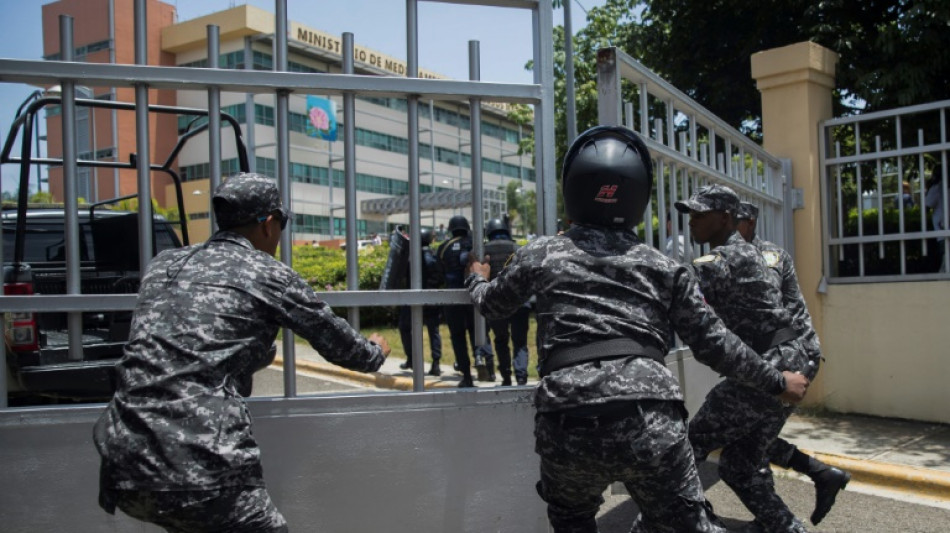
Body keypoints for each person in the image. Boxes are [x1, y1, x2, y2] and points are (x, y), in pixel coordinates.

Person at [464, 126, 809, 533]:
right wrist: (775, 380)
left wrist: (477, 277)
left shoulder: (541, 252)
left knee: (572, 520)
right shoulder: (663, 266)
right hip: (650, 422)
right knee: (685, 525)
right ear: (638, 197)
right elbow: (716, 344)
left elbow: (493, 305)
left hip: (568, 422)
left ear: (573, 189)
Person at [93, 173, 391, 533]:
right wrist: (376, 349)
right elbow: (347, 350)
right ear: (268, 224)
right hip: (201, 465)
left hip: (123, 462)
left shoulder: (163, 265)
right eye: (282, 223)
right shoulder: (269, 274)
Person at [675, 185, 813, 533]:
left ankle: (690, 523)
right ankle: (786, 528)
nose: (691, 222)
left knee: (689, 445)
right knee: (739, 464)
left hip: (768, 367)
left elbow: (672, 284)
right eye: (690, 215)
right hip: (787, 359)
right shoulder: (747, 253)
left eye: (699, 215)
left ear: (725, 218)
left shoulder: (724, 259)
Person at [736, 201, 851, 525]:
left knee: (747, 445)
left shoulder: (763, 258)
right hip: (789, 358)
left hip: (786, 361)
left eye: (732, 221)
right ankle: (820, 476)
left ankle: (778, 521)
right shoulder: (760, 254)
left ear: (747, 223)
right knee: (753, 438)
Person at [438, 214, 493, 387]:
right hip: (473, 293)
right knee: (477, 330)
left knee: (457, 337)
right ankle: (480, 358)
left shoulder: (444, 247)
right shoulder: (474, 244)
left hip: (452, 297)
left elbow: (438, 271)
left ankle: (467, 376)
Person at [482, 218, 531, 386]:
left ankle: (506, 376)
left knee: (501, 340)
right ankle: (522, 376)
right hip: (520, 303)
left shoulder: (483, 250)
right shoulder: (518, 248)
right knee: (520, 341)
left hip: (497, 303)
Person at [398, 227, 446, 376]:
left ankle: (411, 358)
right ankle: (436, 363)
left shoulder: (410, 257)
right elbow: (440, 277)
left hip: (412, 299)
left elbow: (401, 276)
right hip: (431, 299)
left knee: (405, 327)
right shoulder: (433, 256)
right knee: (433, 331)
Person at [925, 163, 948, 272]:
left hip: (942, 231)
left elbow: (927, 206)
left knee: (945, 265)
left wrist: (928, 188)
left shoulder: (937, 188)